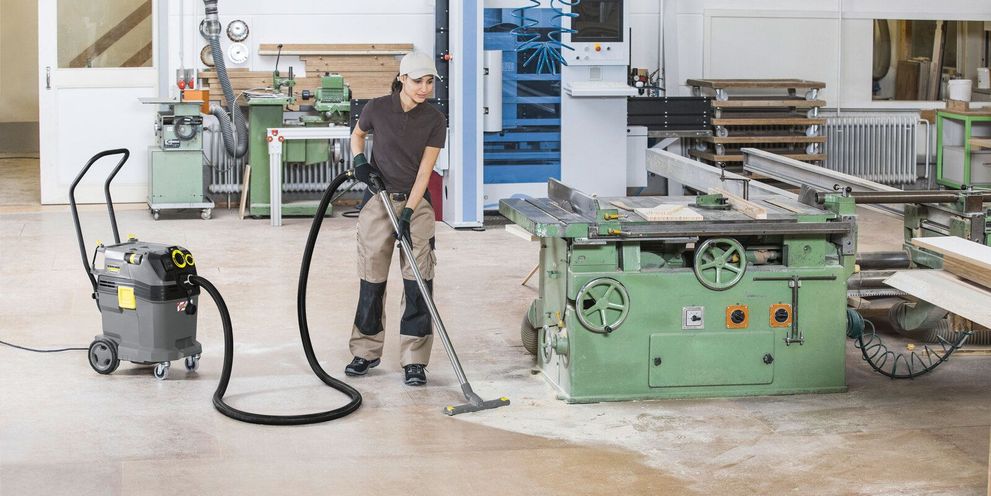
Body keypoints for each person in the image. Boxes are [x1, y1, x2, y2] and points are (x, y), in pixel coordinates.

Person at [345, 51, 447, 386]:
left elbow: (424, 174)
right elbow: (357, 135)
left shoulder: (434, 120)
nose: (424, 87)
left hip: (416, 206)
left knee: (418, 282)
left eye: (429, 81)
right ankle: (365, 352)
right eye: (418, 81)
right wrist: (360, 161)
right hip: (377, 202)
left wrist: (407, 213)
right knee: (371, 281)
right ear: (402, 78)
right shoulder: (376, 108)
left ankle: (414, 360)